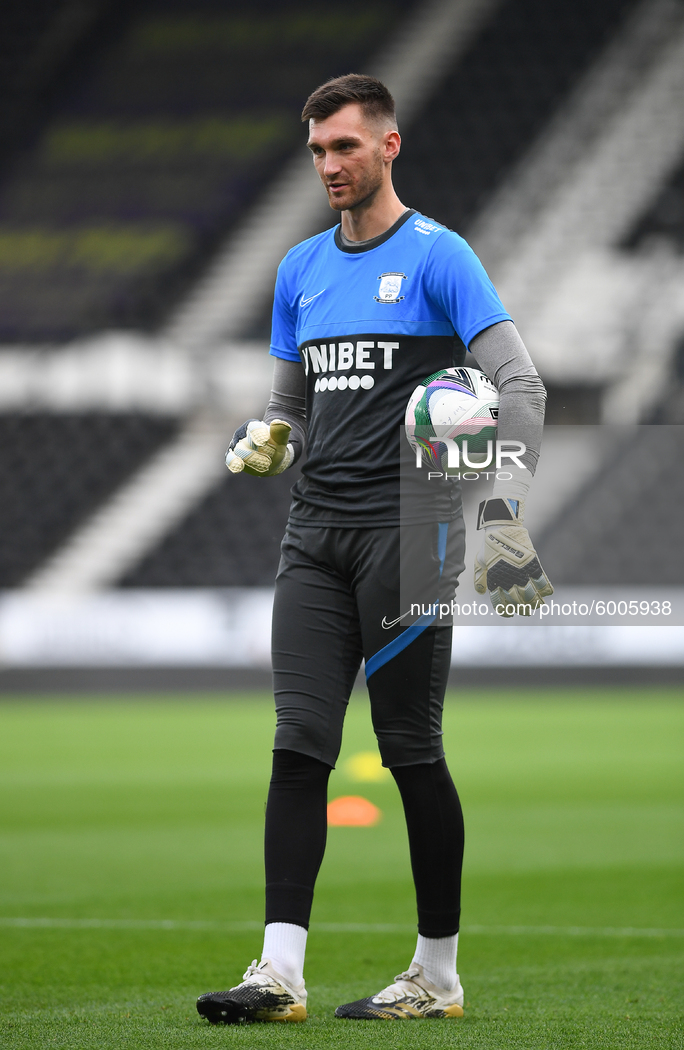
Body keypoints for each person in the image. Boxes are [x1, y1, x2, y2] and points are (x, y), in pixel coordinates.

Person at [196, 74, 551, 1025]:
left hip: (409, 539)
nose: (329, 167)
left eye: (345, 147)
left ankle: (437, 976)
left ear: (388, 146)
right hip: (312, 540)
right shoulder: (300, 269)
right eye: (317, 152)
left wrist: (490, 505)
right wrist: (271, 440)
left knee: (409, 752)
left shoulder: (442, 258)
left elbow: (521, 388)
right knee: (297, 745)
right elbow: (289, 409)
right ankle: (279, 976)